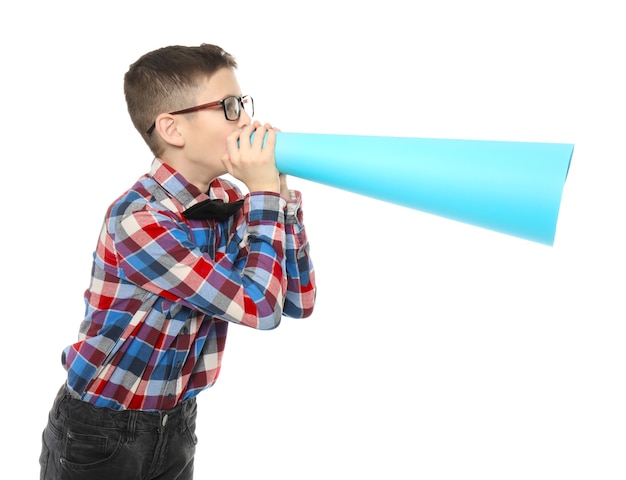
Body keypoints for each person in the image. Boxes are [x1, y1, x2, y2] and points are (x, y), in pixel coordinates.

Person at [39, 43, 317, 480]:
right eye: (229, 107)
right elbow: (260, 309)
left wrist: (279, 197)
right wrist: (262, 195)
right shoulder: (139, 219)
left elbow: (297, 301)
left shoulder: (228, 201)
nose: (247, 120)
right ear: (172, 129)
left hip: (177, 423)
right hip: (100, 432)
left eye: (243, 103)